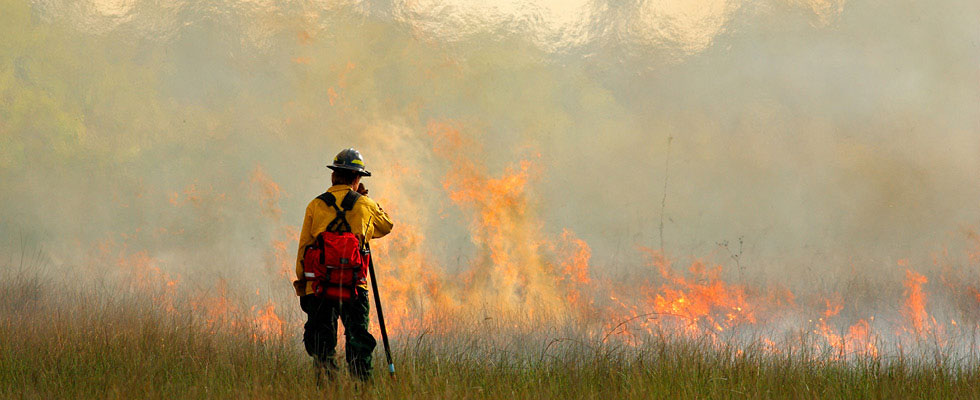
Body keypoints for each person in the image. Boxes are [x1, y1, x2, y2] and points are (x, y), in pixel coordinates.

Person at [293, 148, 393, 382]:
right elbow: (386, 225)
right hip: (355, 287)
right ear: (357, 179)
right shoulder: (365, 204)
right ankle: (362, 388)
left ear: (334, 175)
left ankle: (327, 388)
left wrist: (303, 285)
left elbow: (304, 248)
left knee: (322, 341)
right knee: (358, 339)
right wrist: (365, 201)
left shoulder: (315, 205)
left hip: (319, 286)